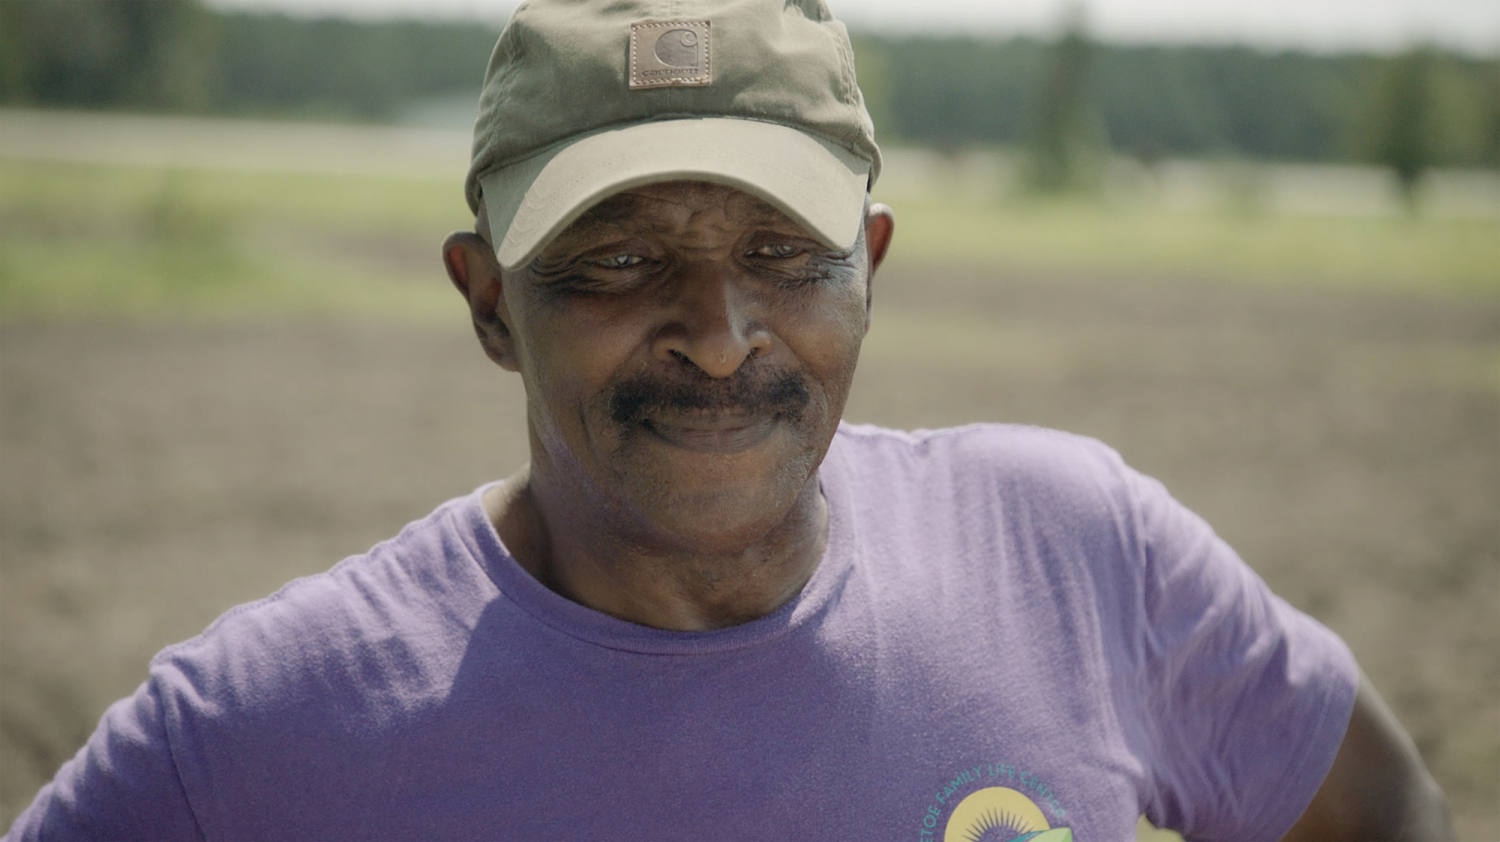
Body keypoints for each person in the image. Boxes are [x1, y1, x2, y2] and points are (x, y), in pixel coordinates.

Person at [6, 1, 1451, 839]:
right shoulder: (268, 726)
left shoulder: (1075, 550)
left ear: (869, 268)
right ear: (490, 299)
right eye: (621, 260)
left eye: (782, 254)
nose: (717, 330)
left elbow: (1384, 811)